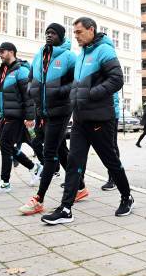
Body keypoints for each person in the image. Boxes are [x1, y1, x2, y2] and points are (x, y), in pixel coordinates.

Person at [41, 17, 133, 225]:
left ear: (91, 30)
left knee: (111, 161)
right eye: (74, 33)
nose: (76, 36)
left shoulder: (104, 50)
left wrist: (91, 94)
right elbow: (77, 83)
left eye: (79, 32)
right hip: (81, 119)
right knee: (74, 162)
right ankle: (65, 208)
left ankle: (127, 197)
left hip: (100, 118)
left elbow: (117, 79)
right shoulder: (82, 53)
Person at [18, 24, 77, 215]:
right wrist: (31, 90)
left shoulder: (69, 57)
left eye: (53, 33)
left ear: (61, 36)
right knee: (57, 149)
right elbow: (31, 78)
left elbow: (76, 83)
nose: (48, 36)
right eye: (47, 33)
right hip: (42, 111)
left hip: (60, 110)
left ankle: (39, 199)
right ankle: (80, 186)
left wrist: (58, 91)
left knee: (50, 152)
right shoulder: (39, 55)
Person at [0, 42, 42, 194]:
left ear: (11, 52)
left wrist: (30, 116)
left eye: (2, 51)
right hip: (6, 115)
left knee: (5, 145)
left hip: (16, 115)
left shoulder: (21, 69)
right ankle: (34, 167)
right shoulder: (4, 69)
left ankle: (5, 182)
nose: (0, 54)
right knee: (7, 145)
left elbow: (28, 95)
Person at [100, 93, 121, 191]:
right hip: (101, 114)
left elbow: (113, 96)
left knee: (111, 146)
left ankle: (114, 179)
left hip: (110, 114)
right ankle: (78, 183)